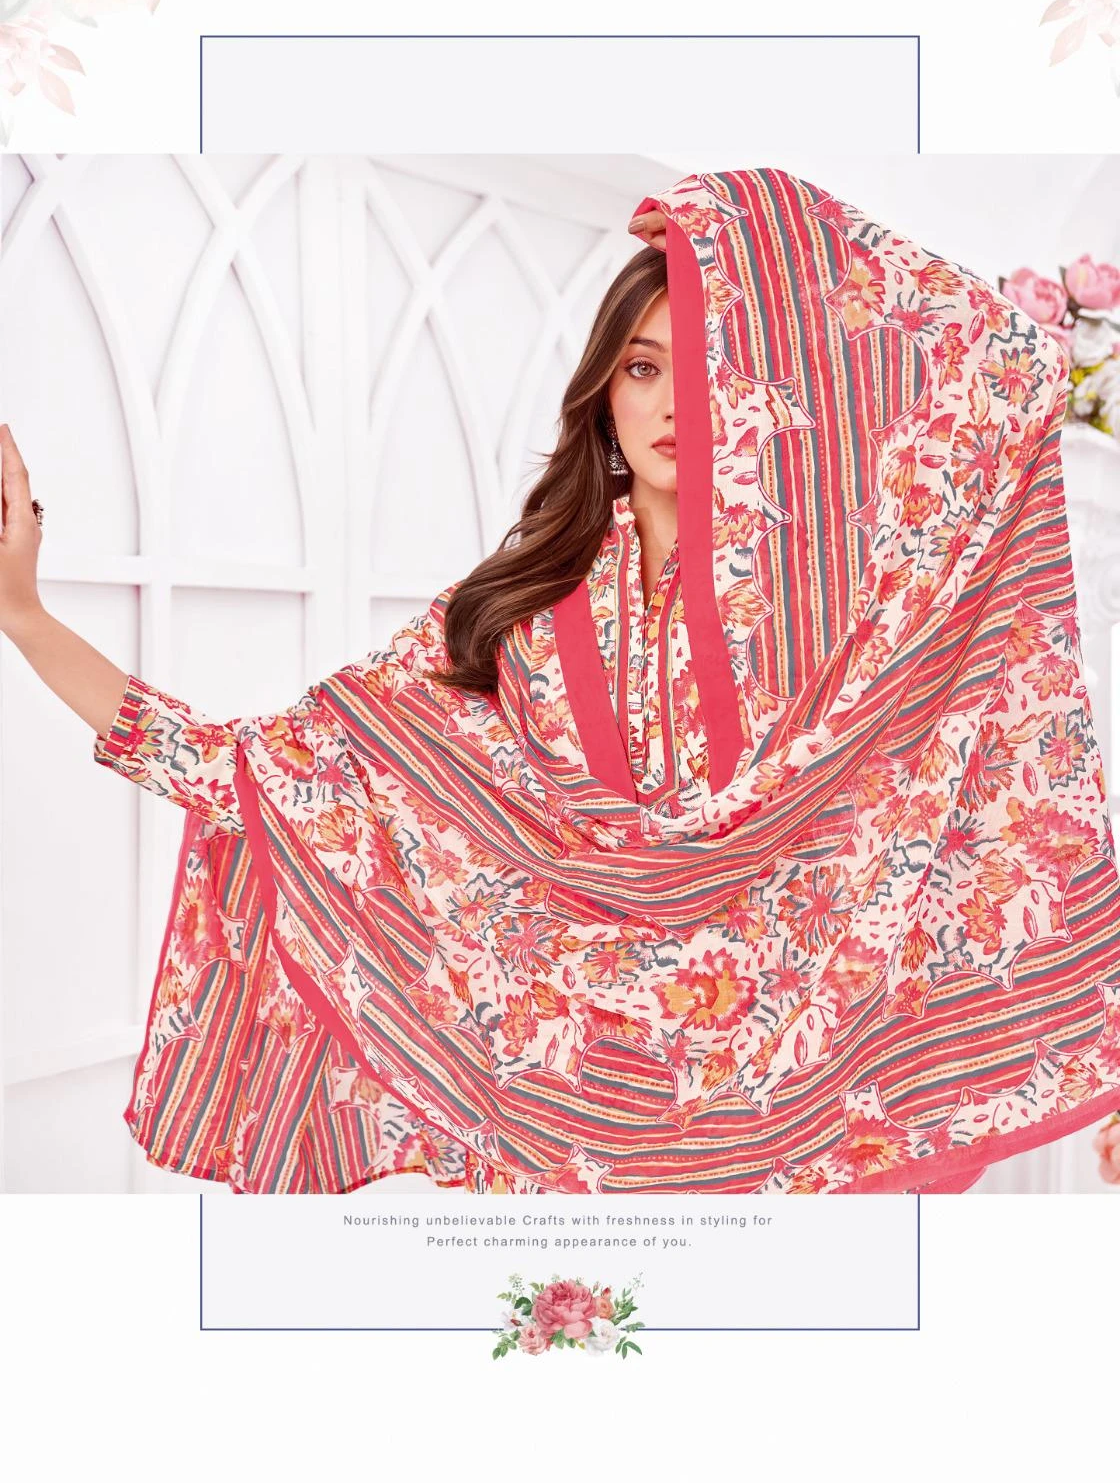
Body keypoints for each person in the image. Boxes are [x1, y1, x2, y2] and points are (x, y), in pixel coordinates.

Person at [4, 165, 1120, 1198]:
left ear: (766, 389)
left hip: (807, 1120)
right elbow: (262, 774)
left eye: (710, 362)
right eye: (643, 366)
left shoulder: (835, 608)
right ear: (604, 394)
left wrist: (750, 220)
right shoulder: (522, 615)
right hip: (571, 1134)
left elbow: (1007, 365)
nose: (675, 401)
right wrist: (23, 616)